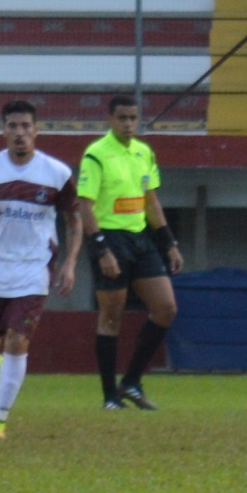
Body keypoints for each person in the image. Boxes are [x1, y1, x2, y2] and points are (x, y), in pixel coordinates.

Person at [0, 99, 81, 441]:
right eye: (13, 126)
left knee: (18, 341)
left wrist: (69, 263)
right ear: (3, 130)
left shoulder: (56, 173)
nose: (20, 133)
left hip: (33, 271)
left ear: (36, 130)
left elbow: (73, 219)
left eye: (26, 126)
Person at [77, 91, 181, 410]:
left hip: (141, 239)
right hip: (110, 239)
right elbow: (84, 206)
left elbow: (151, 202)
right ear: (109, 120)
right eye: (122, 118)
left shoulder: (144, 152)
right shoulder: (96, 154)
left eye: (133, 118)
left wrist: (169, 243)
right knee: (112, 316)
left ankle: (131, 382)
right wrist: (101, 250)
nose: (129, 124)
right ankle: (110, 396)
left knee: (166, 308)